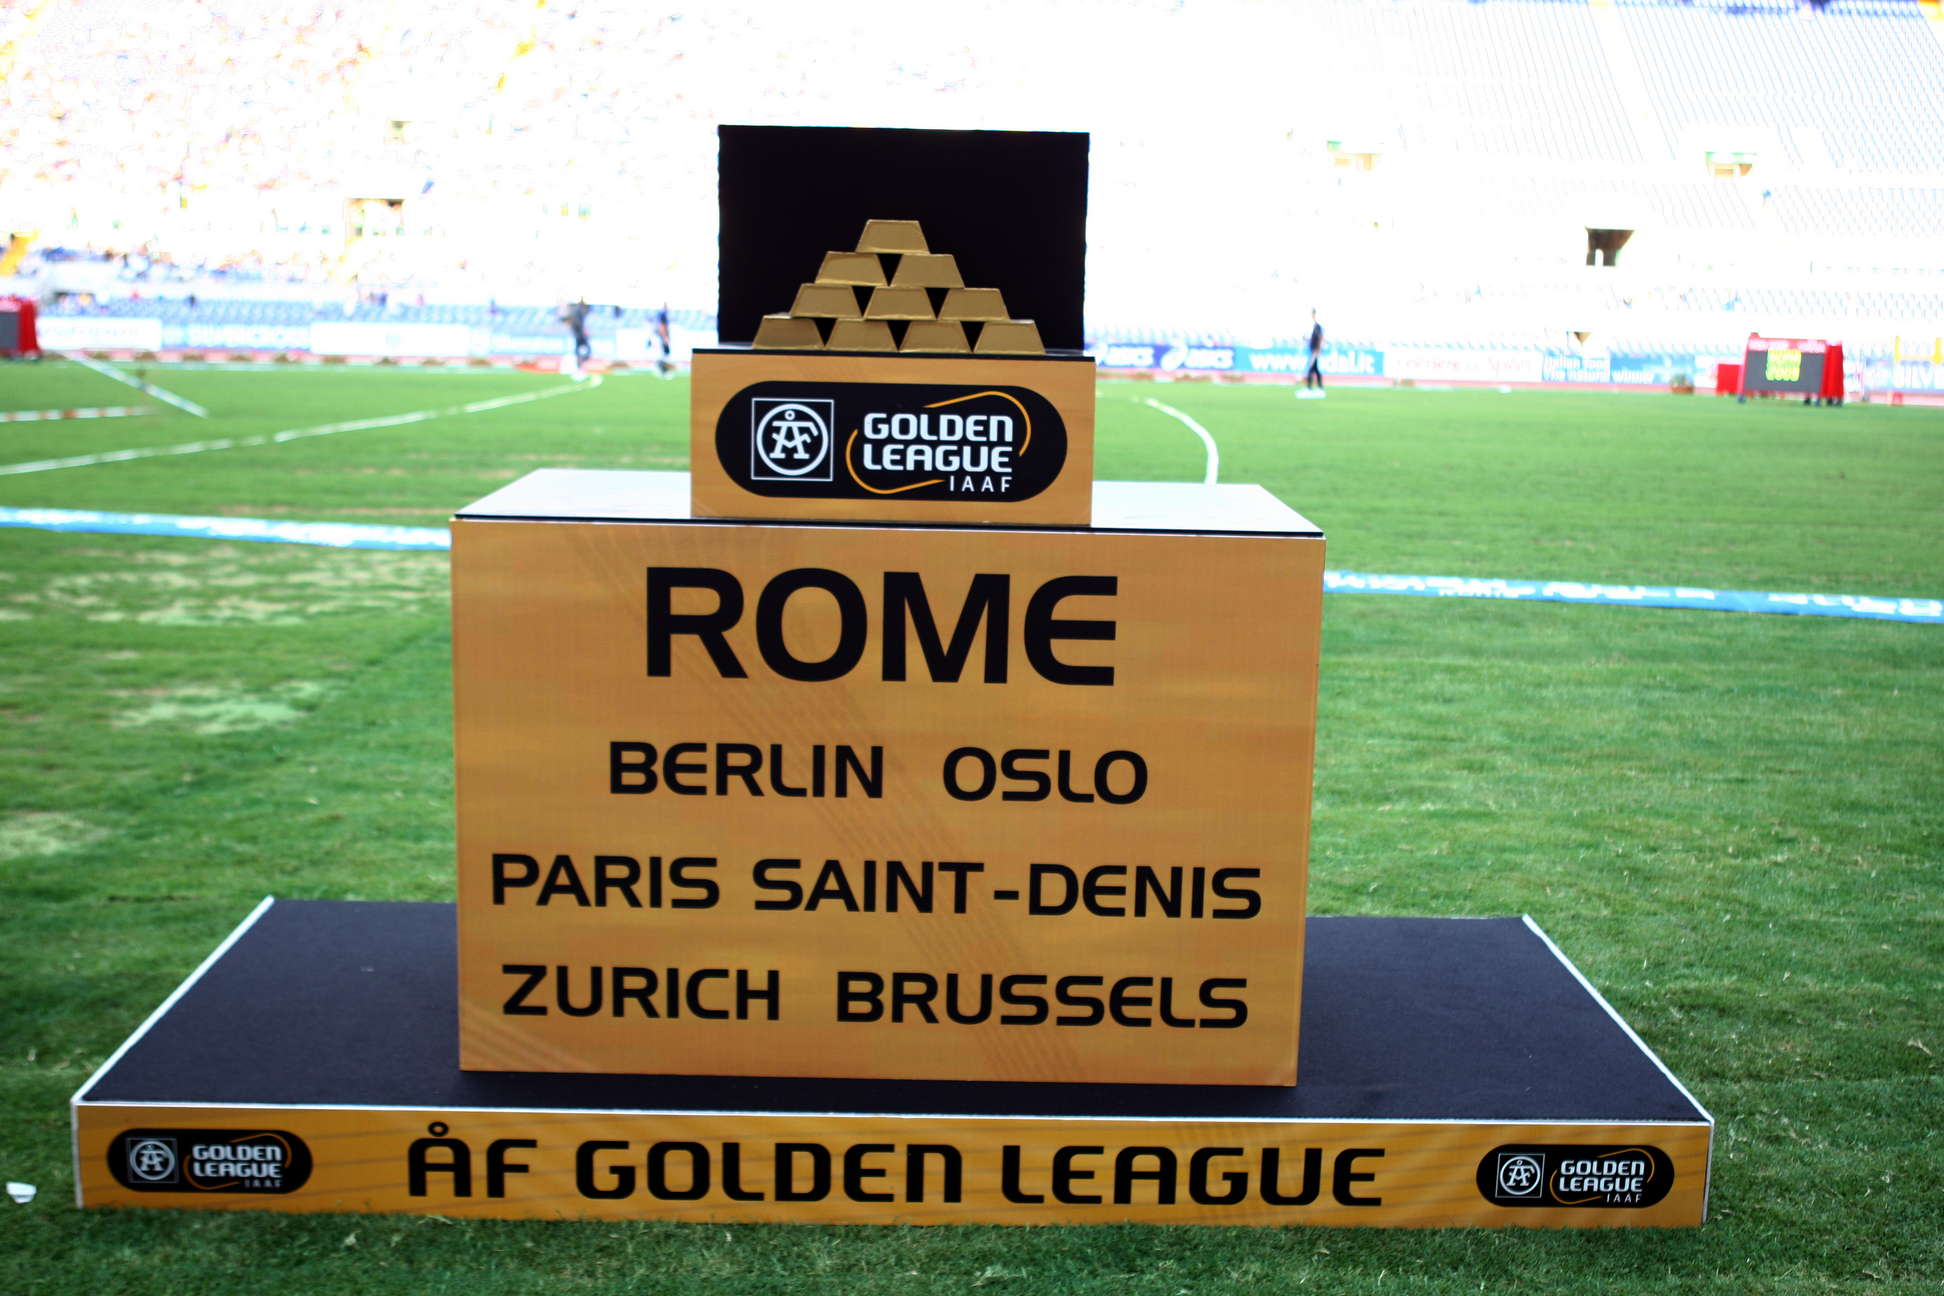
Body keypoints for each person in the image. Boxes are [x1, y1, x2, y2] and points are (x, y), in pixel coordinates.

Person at [560, 297, 592, 372]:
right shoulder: (578, 311)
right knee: (583, 349)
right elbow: (576, 322)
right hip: (579, 334)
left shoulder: (578, 311)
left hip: (579, 334)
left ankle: (581, 362)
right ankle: (580, 363)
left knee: (582, 349)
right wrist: (582, 330)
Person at [1299, 310, 1326, 398]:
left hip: (1315, 351)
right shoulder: (1313, 327)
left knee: (1311, 369)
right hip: (1312, 350)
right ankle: (1319, 389)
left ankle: (1310, 389)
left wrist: (1317, 351)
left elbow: (1321, 339)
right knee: (1315, 369)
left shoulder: (1318, 327)